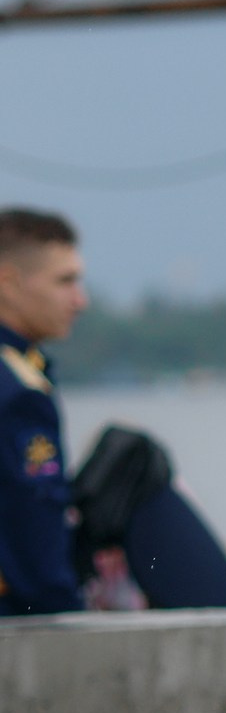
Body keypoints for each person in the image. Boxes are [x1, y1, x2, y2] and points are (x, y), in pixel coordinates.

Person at [0, 208, 86, 615]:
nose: (79, 300)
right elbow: (35, 526)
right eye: (64, 281)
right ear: (8, 281)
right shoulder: (17, 391)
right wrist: (68, 617)